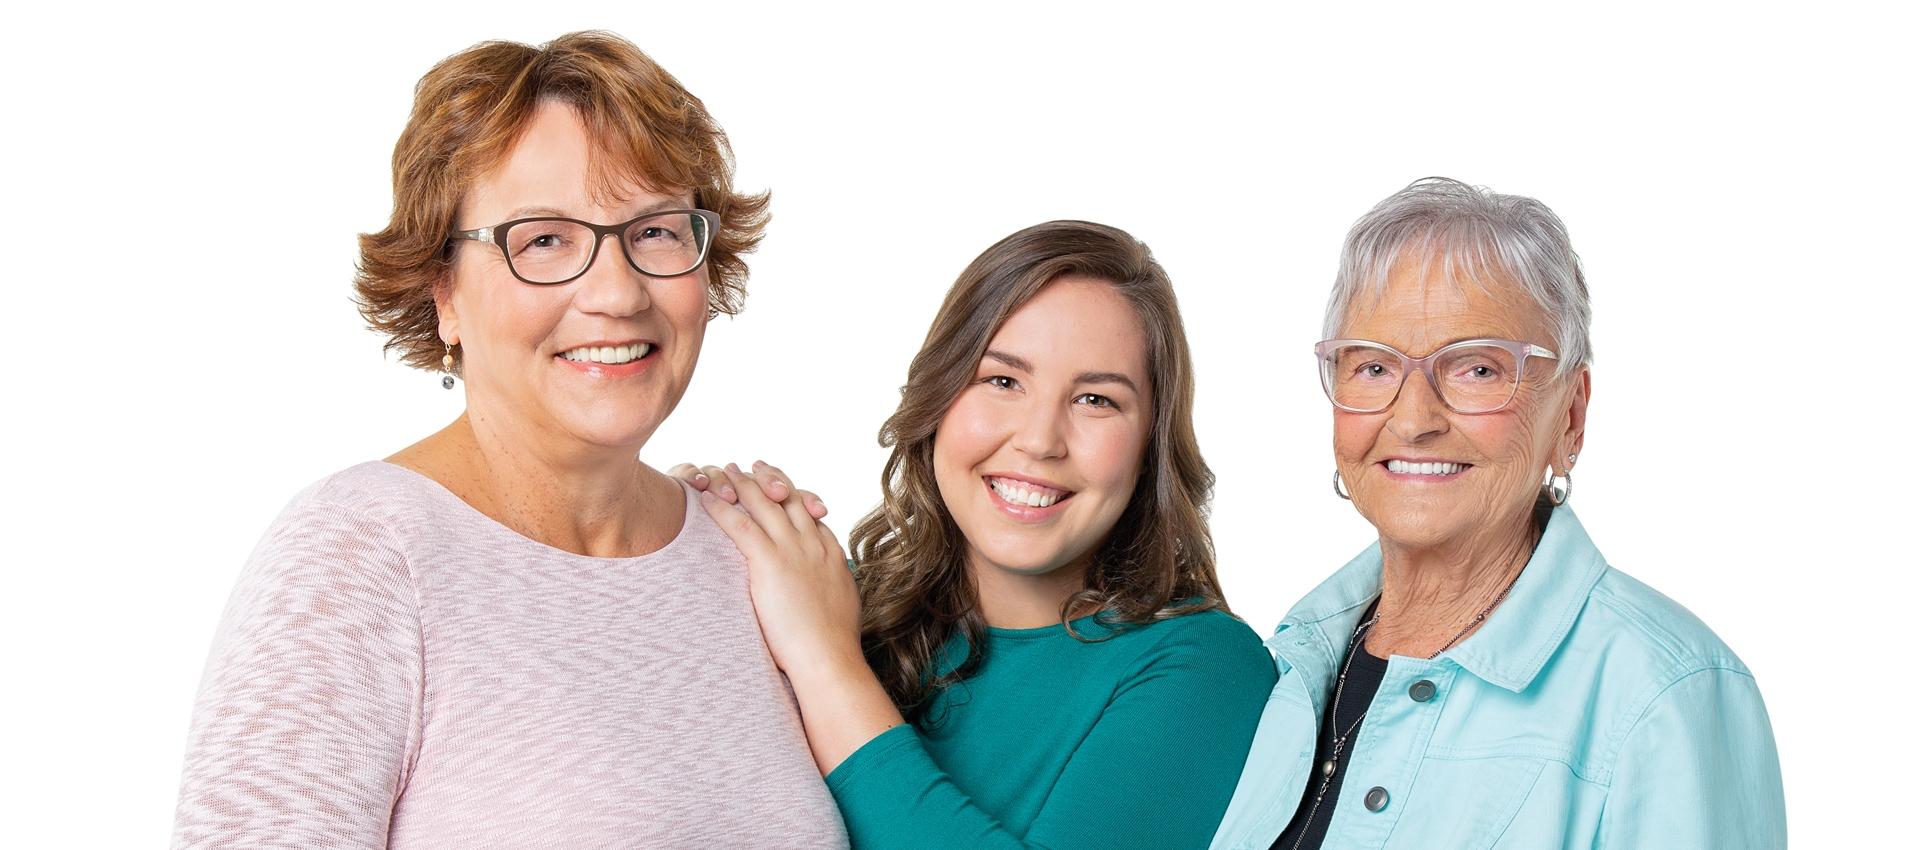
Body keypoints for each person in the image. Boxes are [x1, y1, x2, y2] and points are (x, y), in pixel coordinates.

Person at [170, 32, 847, 849]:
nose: (616, 292)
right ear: (443, 293)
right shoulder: (363, 556)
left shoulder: (759, 559)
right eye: (544, 240)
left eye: (657, 232)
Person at [1205, 178, 1785, 849]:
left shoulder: (1666, 695)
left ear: (1570, 415)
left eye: (1476, 369)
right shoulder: (1288, 668)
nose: (1414, 418)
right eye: (1373, 368)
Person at [688, 221, 1277, 849]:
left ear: (1150, 445)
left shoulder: (1205, 668)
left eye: (1096, 400)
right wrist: (683, 536)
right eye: (1001, 381)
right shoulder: (829, 599)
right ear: (939, 397)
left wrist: (825, 664)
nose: (1039, 440)